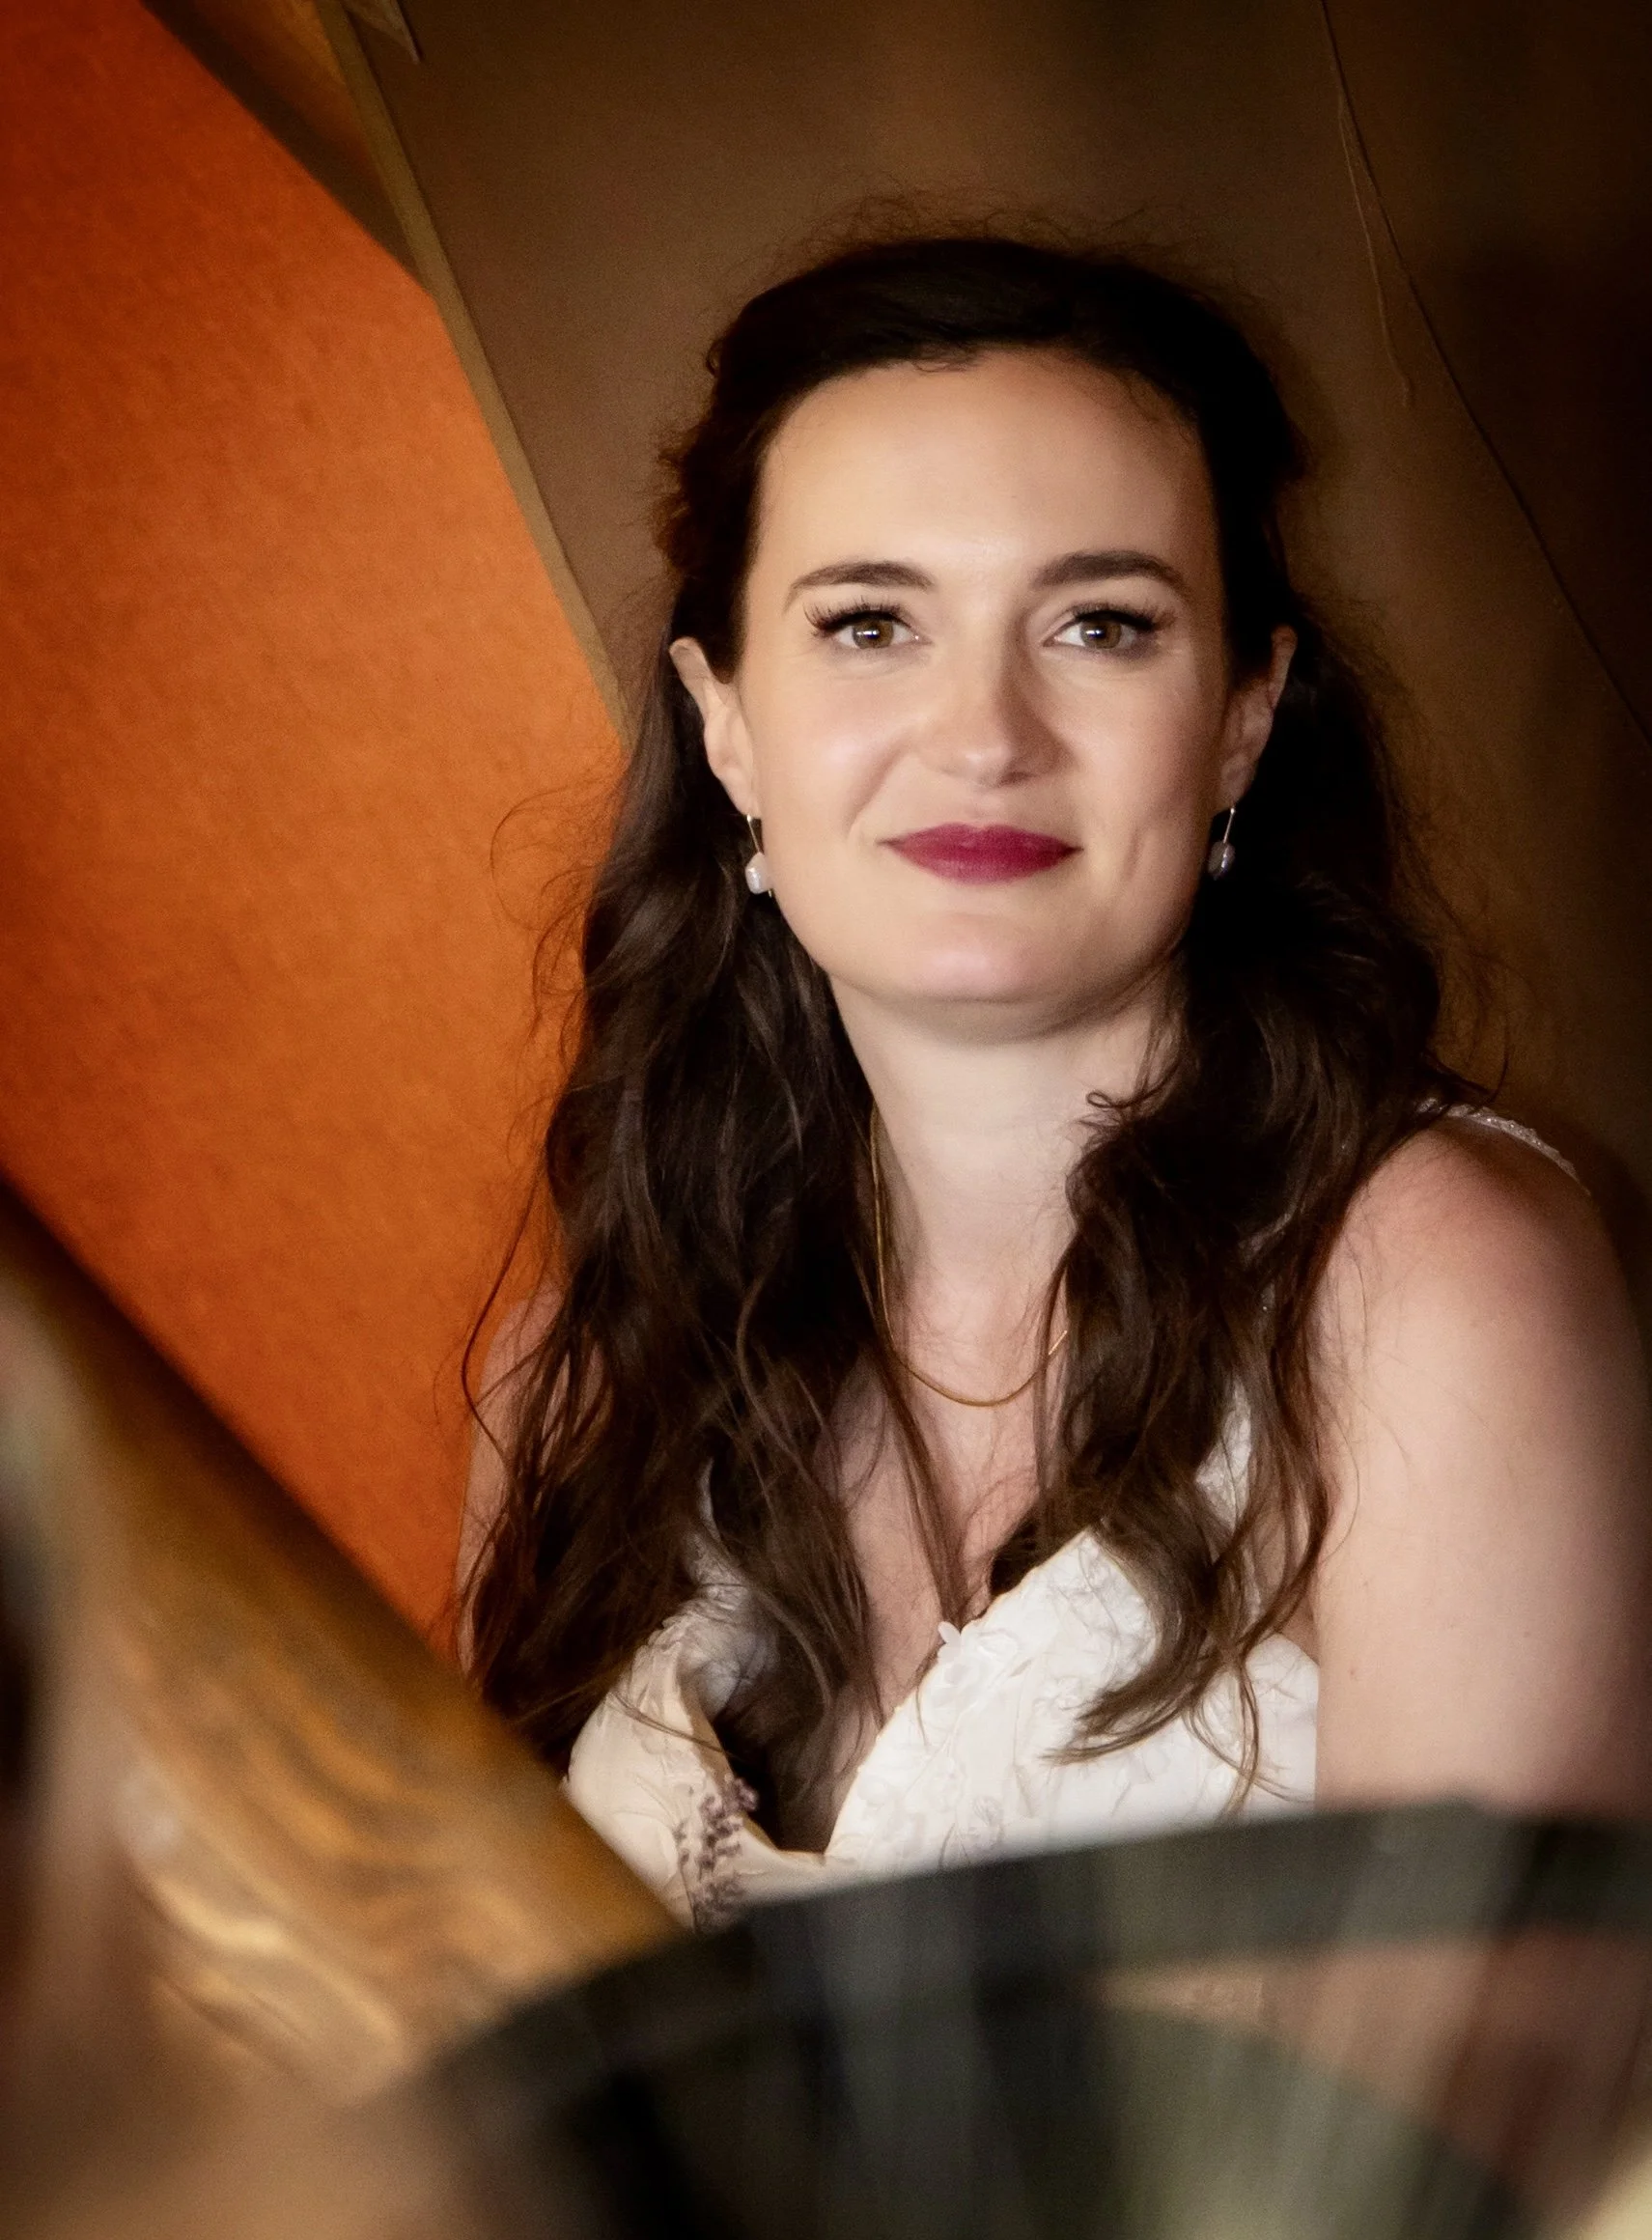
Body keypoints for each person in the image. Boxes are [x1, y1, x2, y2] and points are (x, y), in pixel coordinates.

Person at [460, 234, 1652, 1927]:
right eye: (868, 623)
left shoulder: (1424, 1281)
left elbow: (1472, 2151)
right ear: (724, 723)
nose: (983, 734)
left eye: (1100, 624)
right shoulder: (590, 1354)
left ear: (1243, 718)